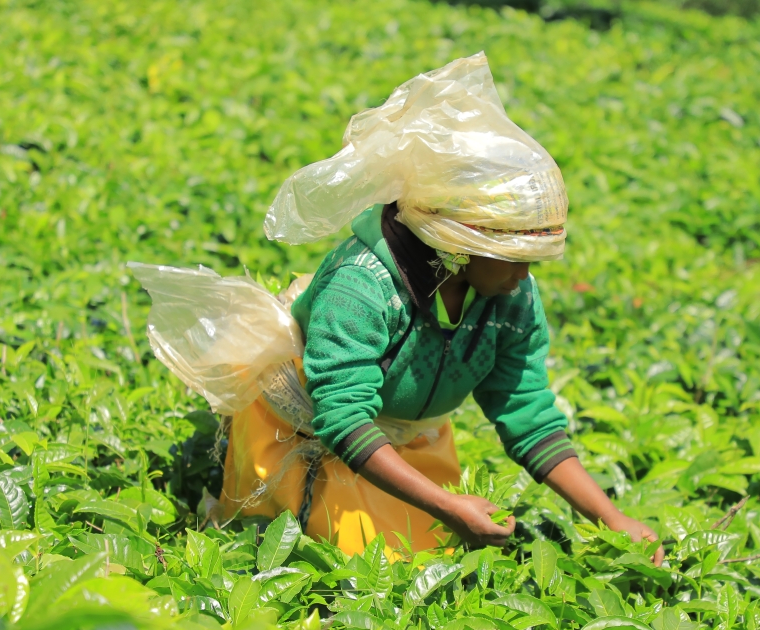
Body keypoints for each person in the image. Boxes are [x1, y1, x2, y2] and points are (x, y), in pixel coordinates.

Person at [205, 54, 660, 561]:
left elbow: (526, 411)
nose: (524, 277)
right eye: (512, 259)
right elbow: (343, 416)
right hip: (310, 428)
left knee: (426, 561)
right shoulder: (360, 288)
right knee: (320, 566)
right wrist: (445, 504)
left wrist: (612, 519)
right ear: (458, 243)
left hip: (404, 440)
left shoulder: (508, 298)